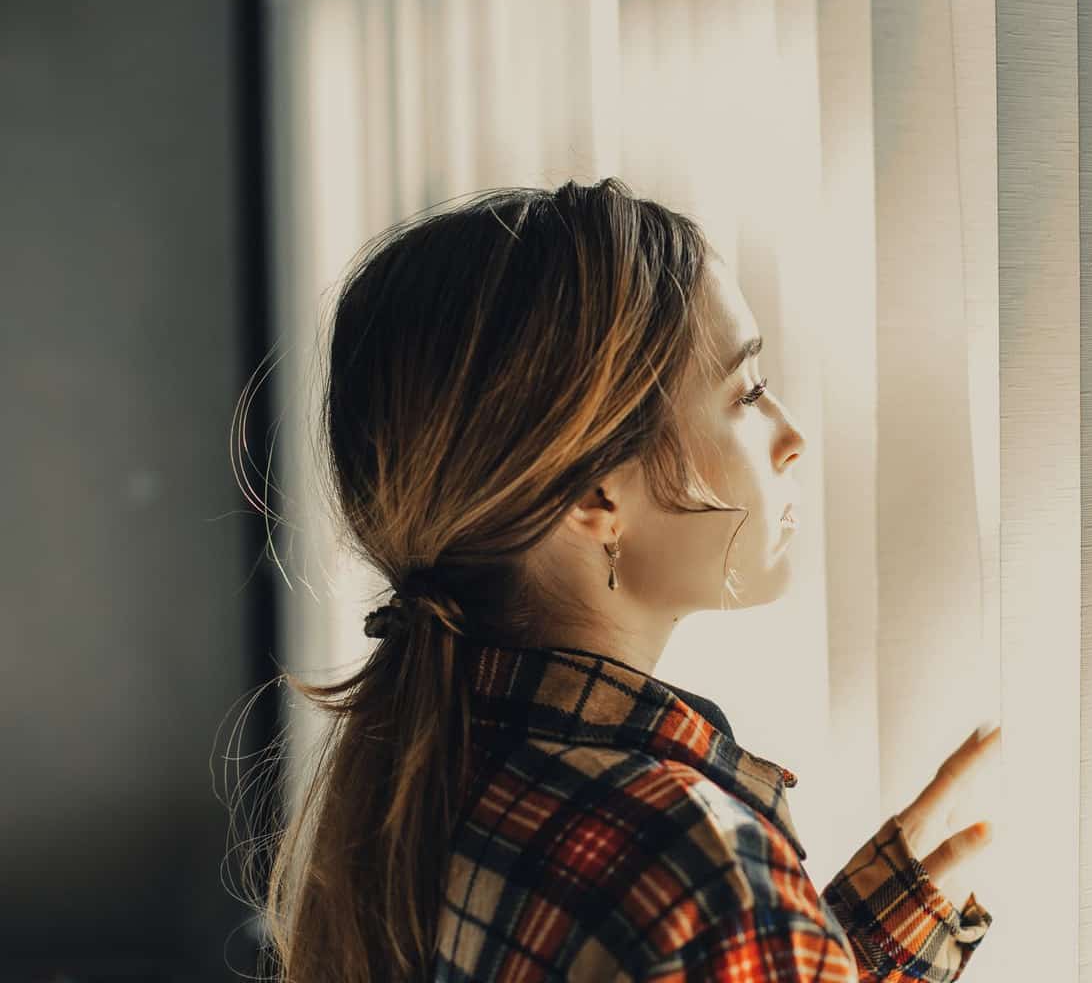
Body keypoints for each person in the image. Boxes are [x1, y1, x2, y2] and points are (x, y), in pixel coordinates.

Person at [255, 178, 1001, 981]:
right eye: (746, 394)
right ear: (595, 494)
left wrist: (825, 949)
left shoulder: (435, 772)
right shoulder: (702, 882)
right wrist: (774, 933)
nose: (792, 436)